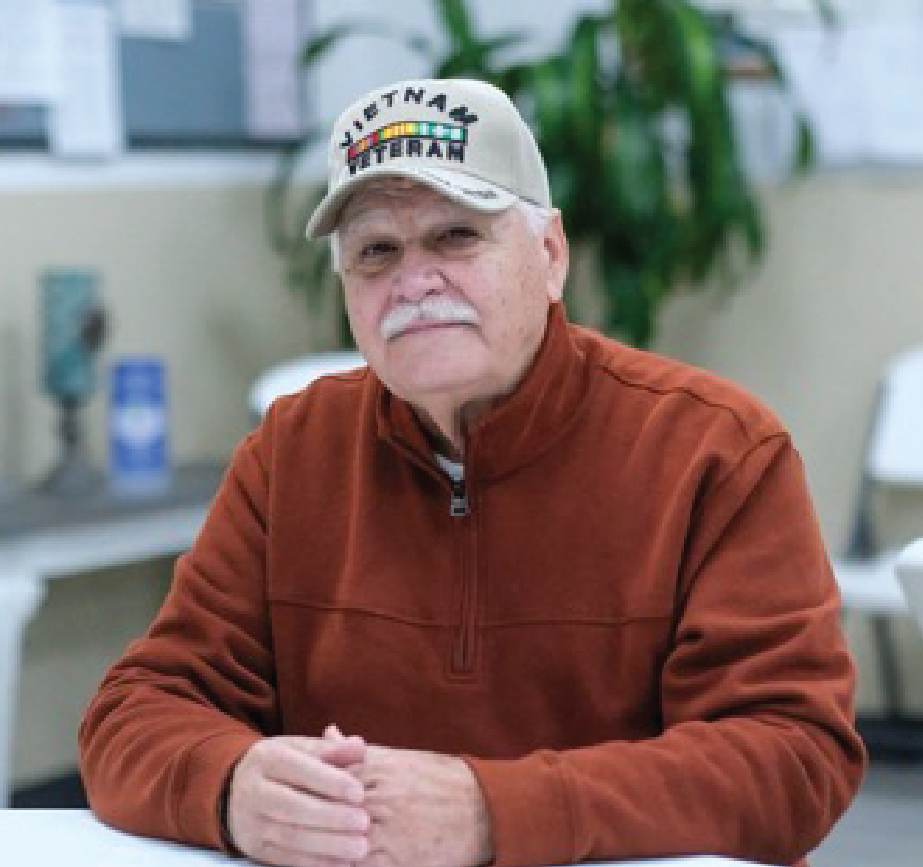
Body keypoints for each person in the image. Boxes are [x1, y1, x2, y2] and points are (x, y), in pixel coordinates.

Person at [79, 78, 866, 867]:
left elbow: (792, 756)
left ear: (549, 256)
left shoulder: (716, 448)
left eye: (456, 235)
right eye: (376, 251)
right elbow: (135, 710)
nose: (413, 281)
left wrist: (493, 812)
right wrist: (232, 786)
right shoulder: (292, 450)